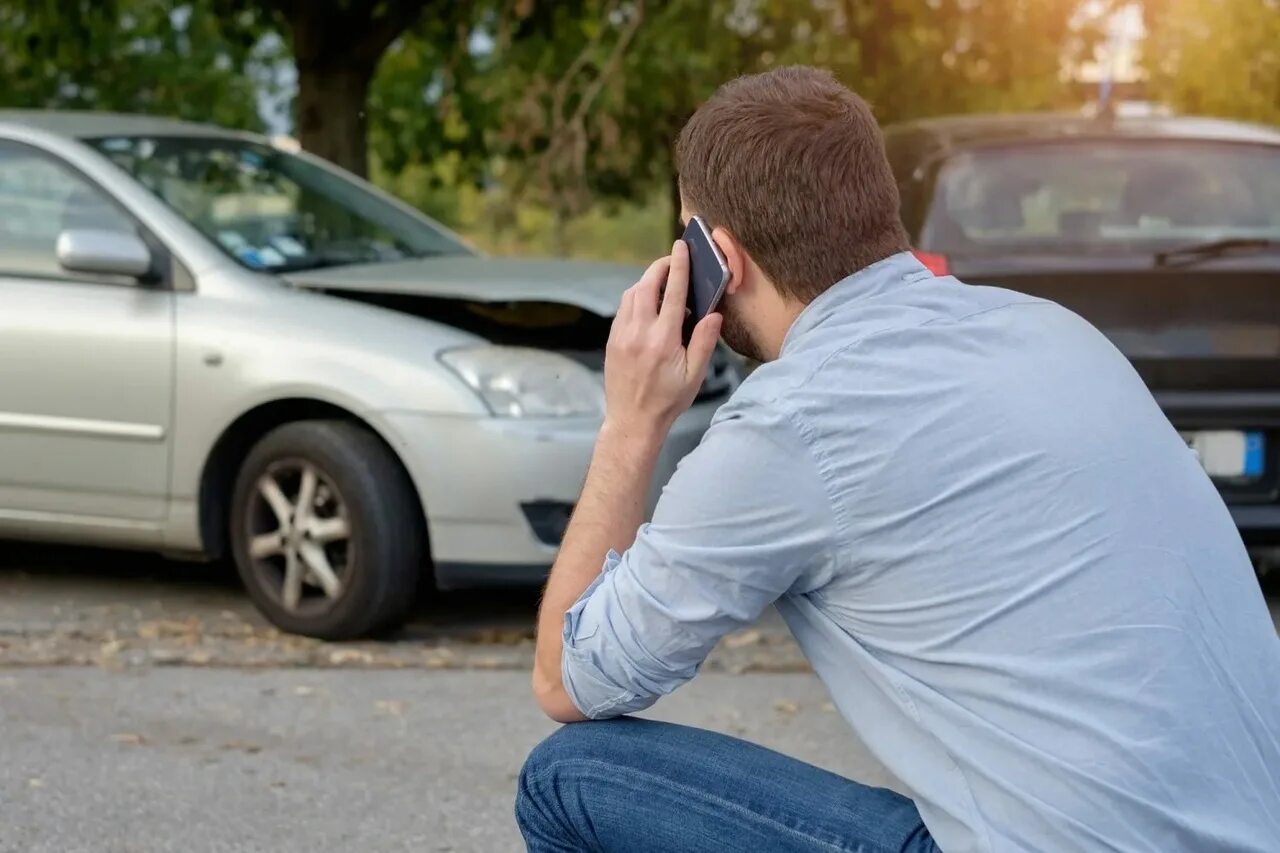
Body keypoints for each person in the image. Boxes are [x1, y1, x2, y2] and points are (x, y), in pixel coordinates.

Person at [516, 66, 1280, 852]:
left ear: (718, 262)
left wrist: (631, 425)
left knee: (567, 777)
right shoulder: (1055, 332)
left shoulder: (792, 424)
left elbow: (569, 679)